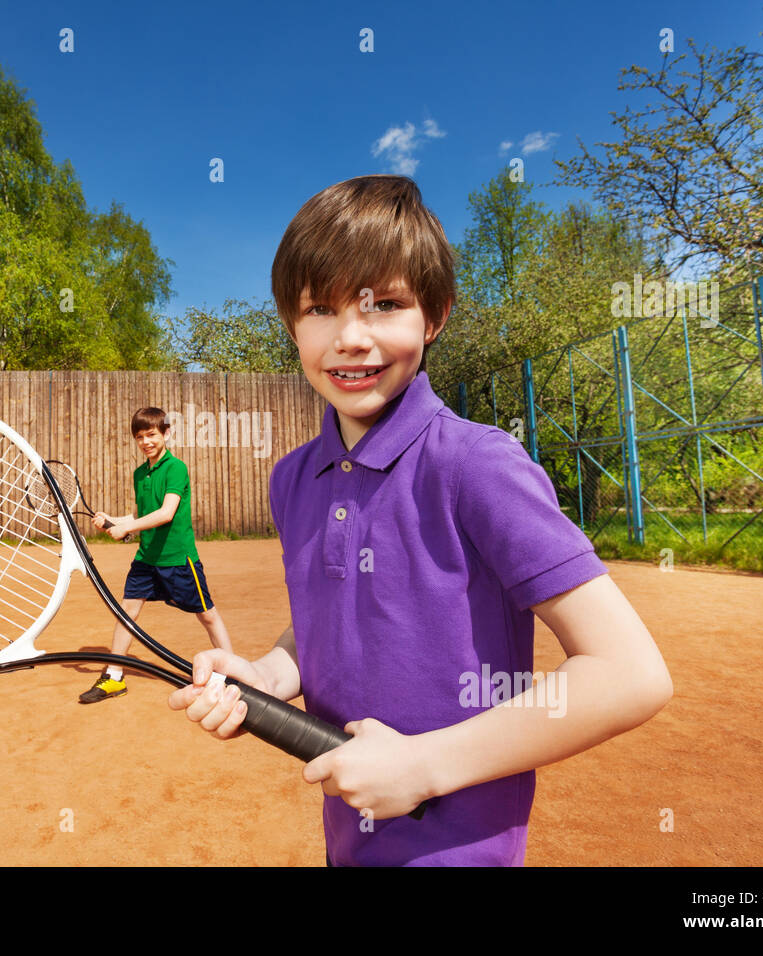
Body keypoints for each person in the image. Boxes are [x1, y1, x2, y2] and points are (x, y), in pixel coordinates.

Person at [167, 174, 673, 866]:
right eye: (320, 308)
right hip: (348, 844)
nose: (350, 337)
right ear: (291, 324)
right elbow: (327, 618)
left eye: (385, 305)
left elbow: (630, 672)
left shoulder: (477, 464)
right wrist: (270, 677)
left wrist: (423, 767)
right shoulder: (291, 479)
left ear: (432, 318)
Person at [80, 407, 234, 703]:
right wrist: (113, 520)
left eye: (151, 434)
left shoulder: (176, 468)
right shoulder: (140, 473)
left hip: (178, 559)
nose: (146, 441)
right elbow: (142, 515)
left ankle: (233, 671)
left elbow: (166, 513)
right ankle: (114, 675)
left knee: (207, 616)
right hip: (146, 559)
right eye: (140, 437)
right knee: (126, 612)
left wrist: (129, 526)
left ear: (165, 433)